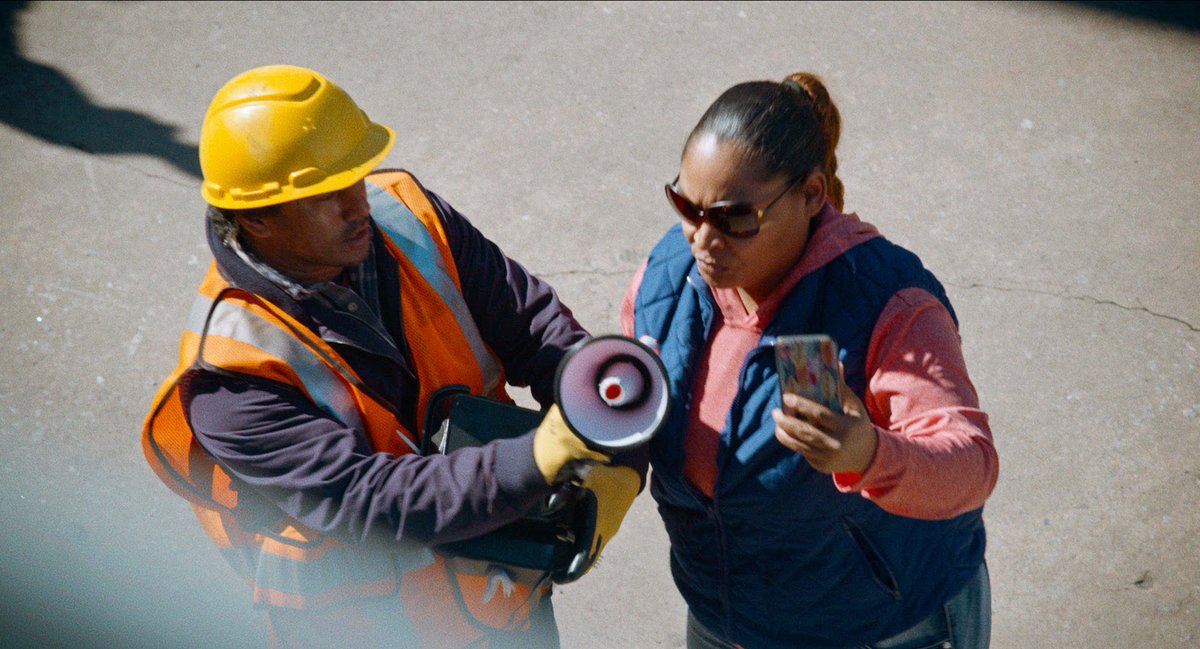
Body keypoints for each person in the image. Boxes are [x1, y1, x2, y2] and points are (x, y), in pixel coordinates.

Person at [142, 65, 643, 649]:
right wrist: (536, 460)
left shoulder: (406, 218)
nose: (359, 204)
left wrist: (619, 443)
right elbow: (374, 501)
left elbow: (536, 329)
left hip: (502, 605)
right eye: (325, 196)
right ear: (257, 219)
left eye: (353, 176)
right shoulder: (230, 380)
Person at [621, 72, 999, 649]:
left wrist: (868, 454)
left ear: (813, 195)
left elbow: (971, 466)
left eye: (734, 218)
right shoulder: (665, 280)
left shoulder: (885, 302)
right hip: (726, 624)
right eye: (686, 206)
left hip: (883, 627)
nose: (702, 239)